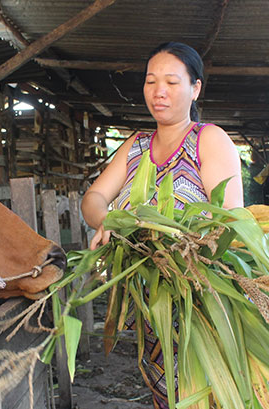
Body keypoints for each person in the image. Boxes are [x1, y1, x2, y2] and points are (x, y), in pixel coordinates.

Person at [81, 42, 244, 408]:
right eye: (151, 81)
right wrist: (109, 221)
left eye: (172, 81)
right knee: (163, 391)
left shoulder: (209, 140)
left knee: (204, 393)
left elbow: (231, 222)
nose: (159, 91)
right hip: (151, 305)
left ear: (195, 88)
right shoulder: (135, 146)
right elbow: (92, 199)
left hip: (201, 302)